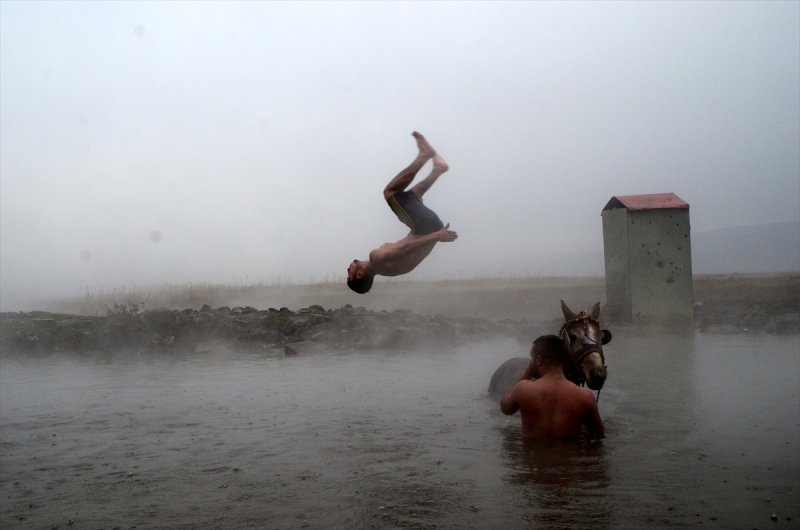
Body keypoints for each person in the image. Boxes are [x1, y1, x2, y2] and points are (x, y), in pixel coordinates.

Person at [346, 131, 458, 294]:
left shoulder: (386, 269)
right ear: (360, 274)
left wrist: (428, 226)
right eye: (349, 275)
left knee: (410, 197)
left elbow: (411, 247)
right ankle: (424, 156)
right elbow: (406, 248)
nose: (348, 269)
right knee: (390, 193)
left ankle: (438, 170)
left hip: (426, 228)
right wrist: (436, 236)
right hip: (428, 229)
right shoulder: (375, 258)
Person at [500, 335, 605, 439]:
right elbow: (598, 435)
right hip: (569, 455)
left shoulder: (523, 389)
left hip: (533, 454)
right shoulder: (585, 396)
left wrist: (527, 374)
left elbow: (505, 407)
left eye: (532, 356)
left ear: (538, 360)